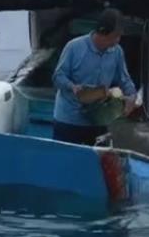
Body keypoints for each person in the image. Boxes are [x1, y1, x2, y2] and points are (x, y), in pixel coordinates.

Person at [52, 8, 138, 145]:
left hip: (99, 120)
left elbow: (124, 79)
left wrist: (132, 96)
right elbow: (58, 76)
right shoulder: (74, 47)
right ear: (103, 34)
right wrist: (72, 87)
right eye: (115, 36)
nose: (118, 40)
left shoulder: (117, 52)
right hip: (69, 121)